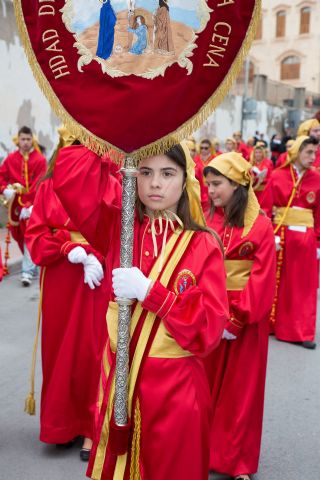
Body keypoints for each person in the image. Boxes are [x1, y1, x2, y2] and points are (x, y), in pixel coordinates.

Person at [53, 141, 229, 480]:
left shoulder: (203, 243)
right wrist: (114, 138)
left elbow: (207, 331)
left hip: (177, 392)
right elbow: (70, 176)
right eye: (145, 173)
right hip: (121, 381)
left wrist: (151, 293)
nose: (156, 184)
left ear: (185, 178)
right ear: (131, 177)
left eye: (167, 173)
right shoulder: (119, 227)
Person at [25, 131, 122, 460]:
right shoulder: (47, 186)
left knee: (94, 351)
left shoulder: (110, 182)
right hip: (61, 276)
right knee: (59, 352)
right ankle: (61, 424)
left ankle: (91, 429)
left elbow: (119, 232)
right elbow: (36, 233)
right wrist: (68, 249)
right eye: (74, 145)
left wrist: (97, 254)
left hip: (97, 276)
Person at [203, 152, 276, 480]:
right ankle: (203, 451)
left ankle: (238, 463)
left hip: (246, 322)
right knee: (204, 386)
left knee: (241, 393)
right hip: (209, 314)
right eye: (208, 184)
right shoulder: (206, 219)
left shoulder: (260, 225)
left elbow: (262, 278)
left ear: (237, 185)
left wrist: (237, 317)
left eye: (217, 184)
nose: (211, 191)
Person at [263, 136, 320, 349]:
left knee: (302, 288)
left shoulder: (317, 179)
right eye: (309, 152)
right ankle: (271, 324)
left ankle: (301, 331)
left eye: (315, 153)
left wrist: (319, 244)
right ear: (297, 152)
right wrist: (271, 236)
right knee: (277, 283)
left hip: (306, 241)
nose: (313, 157)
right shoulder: (277, 176)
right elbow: (266, 209)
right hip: (282, 237)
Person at [0, 126, 47, 286]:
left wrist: (32, 204)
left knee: (30, 236)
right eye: (23, 139)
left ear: (32, 140)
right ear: (18, 140)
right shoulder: (11, 159)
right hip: (16, 206)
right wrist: (4, 189)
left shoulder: (40, 160)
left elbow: (41, 183)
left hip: (34, 205)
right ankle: (32, 267)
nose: (25, 142)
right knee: (18, 235)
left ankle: (27, 271)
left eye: (28, 139)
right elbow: (1, 177)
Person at [194, 138, 216, 210]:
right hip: (199, 191)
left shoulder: (215, 159)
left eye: (206, 148)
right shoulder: (196, 159)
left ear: (210, 148)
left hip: (212, 191)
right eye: (201, 148)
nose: (203, 150)